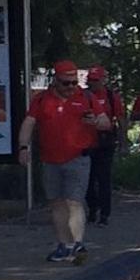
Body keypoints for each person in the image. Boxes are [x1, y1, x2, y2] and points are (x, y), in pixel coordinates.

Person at [18, 60, 110, 263]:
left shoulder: (86, 97)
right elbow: (28, 123)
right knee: (57, 203)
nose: (70, 87)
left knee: (74, 201)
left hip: (78, 157)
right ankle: (64, 245)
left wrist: (95, 121)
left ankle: (78, 243)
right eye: (65, 83)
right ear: (55, 81)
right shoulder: (41, 100)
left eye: (73, 83)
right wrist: (24, 147)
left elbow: (106, 122)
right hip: (50, 159)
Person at [85, 65, 127, 227]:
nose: (92, 83)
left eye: (95, 80)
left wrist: (123, 142)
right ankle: (92, 209)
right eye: (90, 80)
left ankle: (104, 214)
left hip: (105, 142)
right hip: (87, 142)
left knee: (104, 179)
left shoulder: (111, 97)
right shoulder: (84, 96)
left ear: (103, 80)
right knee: (88, 180)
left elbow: (121, 118)